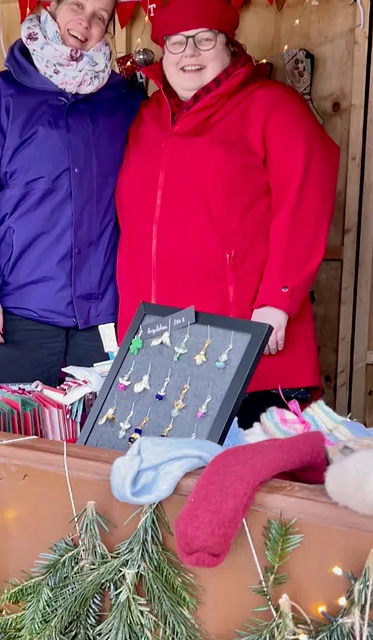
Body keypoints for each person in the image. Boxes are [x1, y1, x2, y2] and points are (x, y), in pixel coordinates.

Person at [115, 0, 340, 428]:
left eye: (204, 39)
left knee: (254, 484)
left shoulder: (272, 106)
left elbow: (306, 202)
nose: (190, 53)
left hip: (247, 342)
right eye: (176, 43)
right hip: (159, 347)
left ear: (228, 43)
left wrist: (278, 300)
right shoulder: (146, 120)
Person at [0, 0, 143, 386]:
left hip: (104, 315)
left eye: (100, 16)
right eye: (77, 5)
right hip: (19, 311)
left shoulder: (125, 105)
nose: (85, 22)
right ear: (51, 8)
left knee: (96, 439)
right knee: (18, 437)